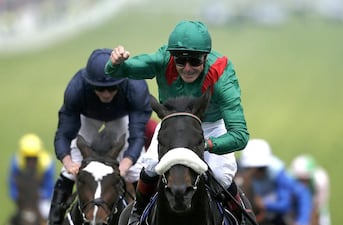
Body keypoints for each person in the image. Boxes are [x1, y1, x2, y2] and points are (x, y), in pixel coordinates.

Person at [105, 20, 251, 224]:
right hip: (172, 124)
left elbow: (240, 135)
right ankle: (137, 213)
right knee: (150, 165)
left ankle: (243, 216)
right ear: (172, 57)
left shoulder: (221, 73)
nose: (188, 68)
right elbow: (119, 71)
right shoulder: (163, 59)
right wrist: (116, 62)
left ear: (205, 57)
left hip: (209, 127)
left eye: (195, 61)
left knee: (221, 175)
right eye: (181, 61)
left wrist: (206, 145)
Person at [48, 48, 152, 225]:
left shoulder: (135, 86)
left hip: (122, 118)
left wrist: (125, 165)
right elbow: (64, 133)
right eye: (100, 89)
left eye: (112, 88)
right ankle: (54, 220)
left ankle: (145, 218)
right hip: (88, 119)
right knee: (68, 172)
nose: (106, 94)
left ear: (122, 82)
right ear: (89, 84)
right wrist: (68, 162)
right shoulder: (76, 87)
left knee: (136, 170)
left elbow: (137, 136)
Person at [239, 139, 312, 225]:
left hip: (277, 217)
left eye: (261, 168)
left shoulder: (278, 172)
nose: (256, 173)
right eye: (249, 169)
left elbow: (285, 204)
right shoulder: (239, 169)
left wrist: (263, 204)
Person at [8, 133, 55, 221]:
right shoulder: (16, 163)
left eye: (34, 158)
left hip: (41, 199)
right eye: (28, 159)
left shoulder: (47, 164)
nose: (31, 163)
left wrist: (38, 197)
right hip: (24, 200)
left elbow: (49, 189)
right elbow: (13, 188)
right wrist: (20, 199)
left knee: (47, 215)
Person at [290, 154, 331, 225]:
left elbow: (317, 205)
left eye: (305, 180)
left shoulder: (321, 181)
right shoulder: (290, 177)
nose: (303, 184)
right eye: (300, 180)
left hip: (318, 210)